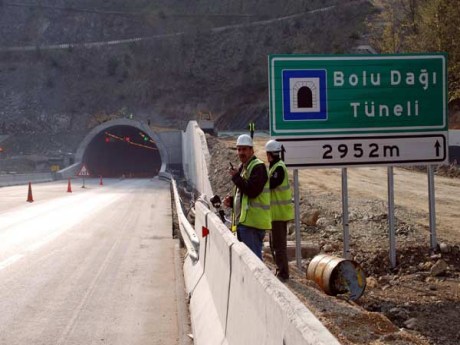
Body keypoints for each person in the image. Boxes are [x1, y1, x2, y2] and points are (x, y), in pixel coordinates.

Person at [223, 134, 271, 260]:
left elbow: (252, 191)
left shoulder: (258, 167)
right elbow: (244, 196)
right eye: (239, 149)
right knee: (247, 261)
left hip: (253, 224)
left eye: (244, 149)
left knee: (254, 262)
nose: (241, 152)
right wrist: (232, 202)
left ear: (251, 150)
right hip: (245, 223)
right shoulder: (244, 168)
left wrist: (236, 177)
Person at [265, 139, 294, 281]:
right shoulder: (274, 167)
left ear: (269, 154)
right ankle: (280, 270)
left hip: (279, 214)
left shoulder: (279, 168)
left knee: (279, 246)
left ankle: (283, 273)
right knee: (274, 244)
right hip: (275, 215)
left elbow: (270, 184)